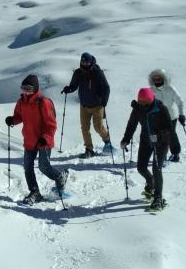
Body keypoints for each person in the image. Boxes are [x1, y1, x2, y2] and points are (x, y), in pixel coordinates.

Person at [6, 74, 69, 204]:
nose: (26, 92)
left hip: (43, 141)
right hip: (29, 139)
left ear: (35, 89)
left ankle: (60, 176)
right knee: (27, 167)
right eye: (23, 89)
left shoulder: (43, 102)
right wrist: (13, 120)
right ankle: (35, 192)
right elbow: (19, 116)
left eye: (29, 89)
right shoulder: (21, 101)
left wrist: (45, 138)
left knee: (43, 167)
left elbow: (51, 124)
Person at [120, 87, 173, 210]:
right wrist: (126, 139)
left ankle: (158, 197)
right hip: (146, 141)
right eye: (141, 103)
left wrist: (159, 136)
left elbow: (169, 129)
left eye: (146, 103)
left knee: (156, 169)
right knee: (141, 167)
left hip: (161, 144)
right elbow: (131, 124)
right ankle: (151, 182)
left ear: (151, 100)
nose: (143, 106)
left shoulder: (160, 109)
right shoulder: (138, 109)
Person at [61, 52, 112, 159]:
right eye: (82, 61)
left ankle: (107, 141)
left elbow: (106, 88)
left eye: (86, 62)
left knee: (98, 127)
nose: (84, 63)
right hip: (84, 105)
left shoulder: (97, 72)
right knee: (84, 128)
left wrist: (104, 101)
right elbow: (73, 86)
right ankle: (89, 149)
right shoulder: (78, 73)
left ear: (90, 62)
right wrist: (68, 89)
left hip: (97, 105)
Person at [148, 68, 186, 162]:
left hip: (171, 116)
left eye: (159, 79)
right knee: (157, 136)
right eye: (155, 79)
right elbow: (148, 103)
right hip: (157, 117)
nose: (157, 81)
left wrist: (181, 114)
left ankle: (175, 154)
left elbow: (180, 101)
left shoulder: (170, 89)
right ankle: (161, 155)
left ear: (164, 78)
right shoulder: (151, 90)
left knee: (171, 135)